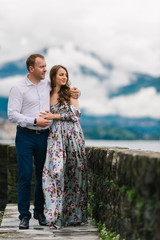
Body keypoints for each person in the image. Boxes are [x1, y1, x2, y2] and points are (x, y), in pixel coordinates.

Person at [7, 54, 80, 230]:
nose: (45, 70)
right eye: (41, 67)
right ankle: (24, 215)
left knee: (43, 175)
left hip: (45, 136)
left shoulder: (48, 85)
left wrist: (77, 93)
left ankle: (40, 212)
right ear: (31, 69)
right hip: (25, 135)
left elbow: (67, 91)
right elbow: (12, 114)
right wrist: (34, 121)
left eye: (46, 66)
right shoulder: (18, 88)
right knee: (25, 175)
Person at [40, 65, 87, 230]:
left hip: (72, 137)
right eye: (61, 74)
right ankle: (54, 217)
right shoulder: (47, 93)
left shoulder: (71, 92)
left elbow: (76, 115)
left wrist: (55, 116)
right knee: (54, 172)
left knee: (73, 175)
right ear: (53, 77)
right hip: (55, 138)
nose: (64, 77)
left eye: (66, 74)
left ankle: (72, 216)